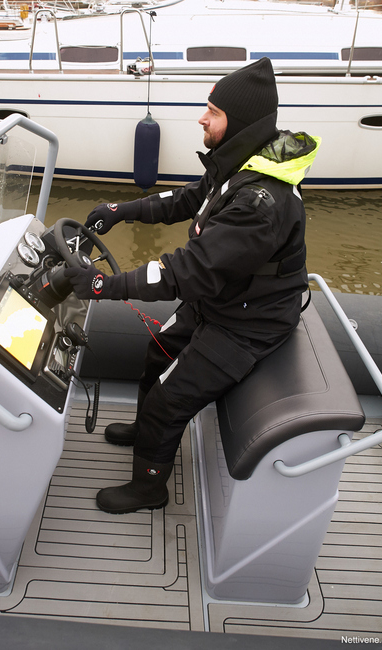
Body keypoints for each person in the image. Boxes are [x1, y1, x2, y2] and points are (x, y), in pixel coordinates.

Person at [64, 57, 321, 515]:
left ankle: (149, 489)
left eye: (213, 112)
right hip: (223, 302)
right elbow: (186, 198)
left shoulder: (259, 203)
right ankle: (144, 433)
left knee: (168, 400)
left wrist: (105, 284)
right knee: (157, 353)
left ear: (239, 123)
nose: (202, 118)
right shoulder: (240, 165)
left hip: (248, 325)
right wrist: (122, 210)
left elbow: (187, 271)